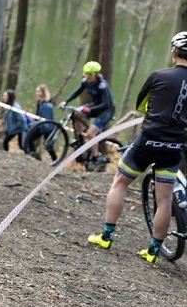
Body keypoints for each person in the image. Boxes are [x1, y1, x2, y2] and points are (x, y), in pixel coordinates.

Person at [88, 32, 187, 264]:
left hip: (148, 141)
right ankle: (153, 252)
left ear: (173, 52)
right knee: (164, 200)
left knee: (120, 183)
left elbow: (141, 106)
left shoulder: (159, 75)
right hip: (173, 147)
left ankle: (106, 236)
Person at [61, 61, 116, 165]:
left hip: (106, 110)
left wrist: (89, 109)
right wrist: (66, 101)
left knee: (91, 133)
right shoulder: (85, 81)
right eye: (86, 74)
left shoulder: (102, 86)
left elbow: (106, 104)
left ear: (95, 74)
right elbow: (77, 92)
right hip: (95, 106)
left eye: (90, 74)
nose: (88, 76)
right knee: (77, 113)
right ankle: (80, 135)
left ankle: (95, 157)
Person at [25, 84, 58, 162]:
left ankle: (55, 161)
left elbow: (46, 120)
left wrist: (35, 125)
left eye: (39, 91)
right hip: (40, 127)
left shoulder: (47, 106)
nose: (37, 93)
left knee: (48, 146)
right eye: (37, 91)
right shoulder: (40, 103)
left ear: (43, 93)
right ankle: (31, 155)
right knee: (29, 139)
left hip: (47, 128)